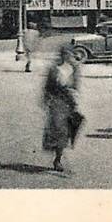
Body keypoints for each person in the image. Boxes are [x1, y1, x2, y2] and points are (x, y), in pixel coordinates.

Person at [42, 45, 83, 173]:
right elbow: (47, 87)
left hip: (69, 102)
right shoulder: (54, 69)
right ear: (62, 55)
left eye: (70, 54)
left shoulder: (74, 69)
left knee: (66, 130)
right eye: (65, 54)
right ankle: (57, 158)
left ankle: (58, 158)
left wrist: (75, 99)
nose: (68, 56)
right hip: (57, 101)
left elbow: (76, 86)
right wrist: (46, 100)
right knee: (58, 129)